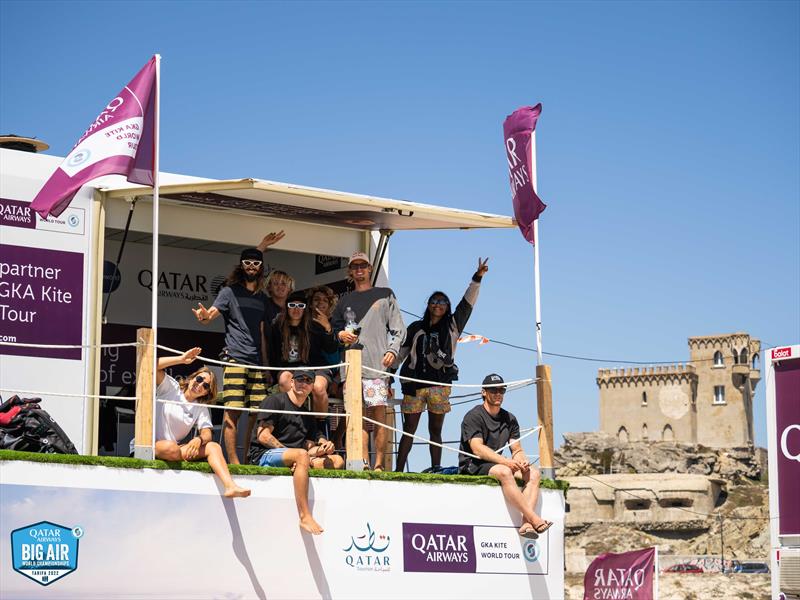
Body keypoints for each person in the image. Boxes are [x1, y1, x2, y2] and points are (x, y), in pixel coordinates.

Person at [394, 258, 489, 472]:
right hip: (413, 385)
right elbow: (401, 353)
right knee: (409, 429)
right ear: (428, 305)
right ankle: (398, 470)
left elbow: (468, 304)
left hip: (440, 384)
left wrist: (477, 278)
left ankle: (435, 468)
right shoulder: (416, 327)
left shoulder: (453, 325)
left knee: (435, 429)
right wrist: (389, 374)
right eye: (434, 301)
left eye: (443, 302)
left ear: (447, 308)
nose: (438, 304)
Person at [192, 243, 276, 464]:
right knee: (233, 412)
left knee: (258, 414)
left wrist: (266, 365)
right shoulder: (229, 292)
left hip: (257, 362)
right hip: (235, 358)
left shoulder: (263, 298)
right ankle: (233, 461)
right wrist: (203, 317)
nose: (251, 266)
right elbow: (210, 315)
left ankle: (249, 458)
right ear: (241, 265)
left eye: (255, 263)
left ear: (261, 267)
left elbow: (262, 332)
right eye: (247, 263)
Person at [331, 251, 405, 471]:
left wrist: (392, 349)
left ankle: (380, 465)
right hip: (352, 369)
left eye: (363, 265)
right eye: (355, 266)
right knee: (357, 416)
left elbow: (399, 328)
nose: (359, 270)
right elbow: (333, 328)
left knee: (379, 416)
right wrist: (339, 335)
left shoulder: (385, 294)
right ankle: (362, 463)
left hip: (376, 367)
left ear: (370, 268)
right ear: (350, 271)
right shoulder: (344, 301)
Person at [249, 369, 344, 534]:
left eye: (308, 381)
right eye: (300, 379)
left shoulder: (307, 415)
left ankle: (300, 467)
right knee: (301, 455)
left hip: (296, 458)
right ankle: (305, 516)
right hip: (263, 455)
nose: (304, 384)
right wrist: (294, 455)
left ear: (312, 387)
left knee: (337, 460)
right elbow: (263, 437)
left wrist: (324, 447)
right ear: (292, 382)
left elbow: (309, 446)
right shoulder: (275, 401)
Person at [459, 373, 552, 539]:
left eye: (502, 390)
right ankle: (534, 518)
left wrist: (521, 460)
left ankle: (526, 523)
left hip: (497, 462)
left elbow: (516, 449)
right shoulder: (473, 416)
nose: (498, 394)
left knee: (534, 473)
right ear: (483, 392)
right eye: (494, 390)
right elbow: (477, 449)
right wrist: (507, 462)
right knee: (504, 472)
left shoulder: (510, 418)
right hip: (473, 464)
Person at [154, 347, 250, 498]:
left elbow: (207, 433)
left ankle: (230, 486)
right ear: (192, 378)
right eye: (199, 379)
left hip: (176, 450)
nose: (200, 385)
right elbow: (152, 364)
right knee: (170, 447)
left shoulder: (201, 406)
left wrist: (199, 439)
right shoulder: (171, 388)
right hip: (153, 445)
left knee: (213, 446)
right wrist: (181, 359)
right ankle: (181, 453)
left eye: (206, 386)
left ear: (207, 392)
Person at [268, 291, 338, 396]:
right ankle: (292, 413)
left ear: (305, 308)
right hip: (289, 368)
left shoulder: (314, 325)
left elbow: (331, 349)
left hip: (315, 368)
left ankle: (317, 413)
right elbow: (273, 354)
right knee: (284, 381)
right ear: (287, 307)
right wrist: (272, 374)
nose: (296, 309)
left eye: (301, 305)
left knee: (318, 387)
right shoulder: (278, 327)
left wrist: (327, 327)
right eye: (292, 305)